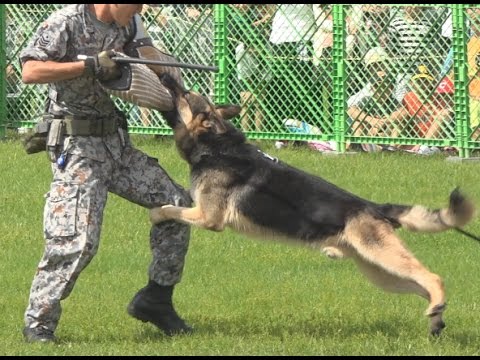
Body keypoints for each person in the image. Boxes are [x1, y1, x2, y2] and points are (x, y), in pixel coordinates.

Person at [20, 4, 193, 343]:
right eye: (135, 5)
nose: (140, 9)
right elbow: (30, 70)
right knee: (77, 239)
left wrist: (173, 87)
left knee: (177, 206)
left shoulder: (128, 23)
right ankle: (38, 323)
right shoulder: (66, 22)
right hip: (78, 148)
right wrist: (87, 64)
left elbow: (144, 52)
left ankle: (156, 300)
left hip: (116, 144)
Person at [347, 47, 409, 152]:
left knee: (399, 124)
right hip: (370, 130)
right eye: (373, 66)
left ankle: (391, 149)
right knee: (357, 123)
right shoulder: (368, 94)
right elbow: (350, 109)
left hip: (387, 129)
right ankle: (359, 146)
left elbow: (404, 111)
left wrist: (384, 122)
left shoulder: (397, 83)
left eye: (380, 64)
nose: (378, 69)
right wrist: (371, 120)